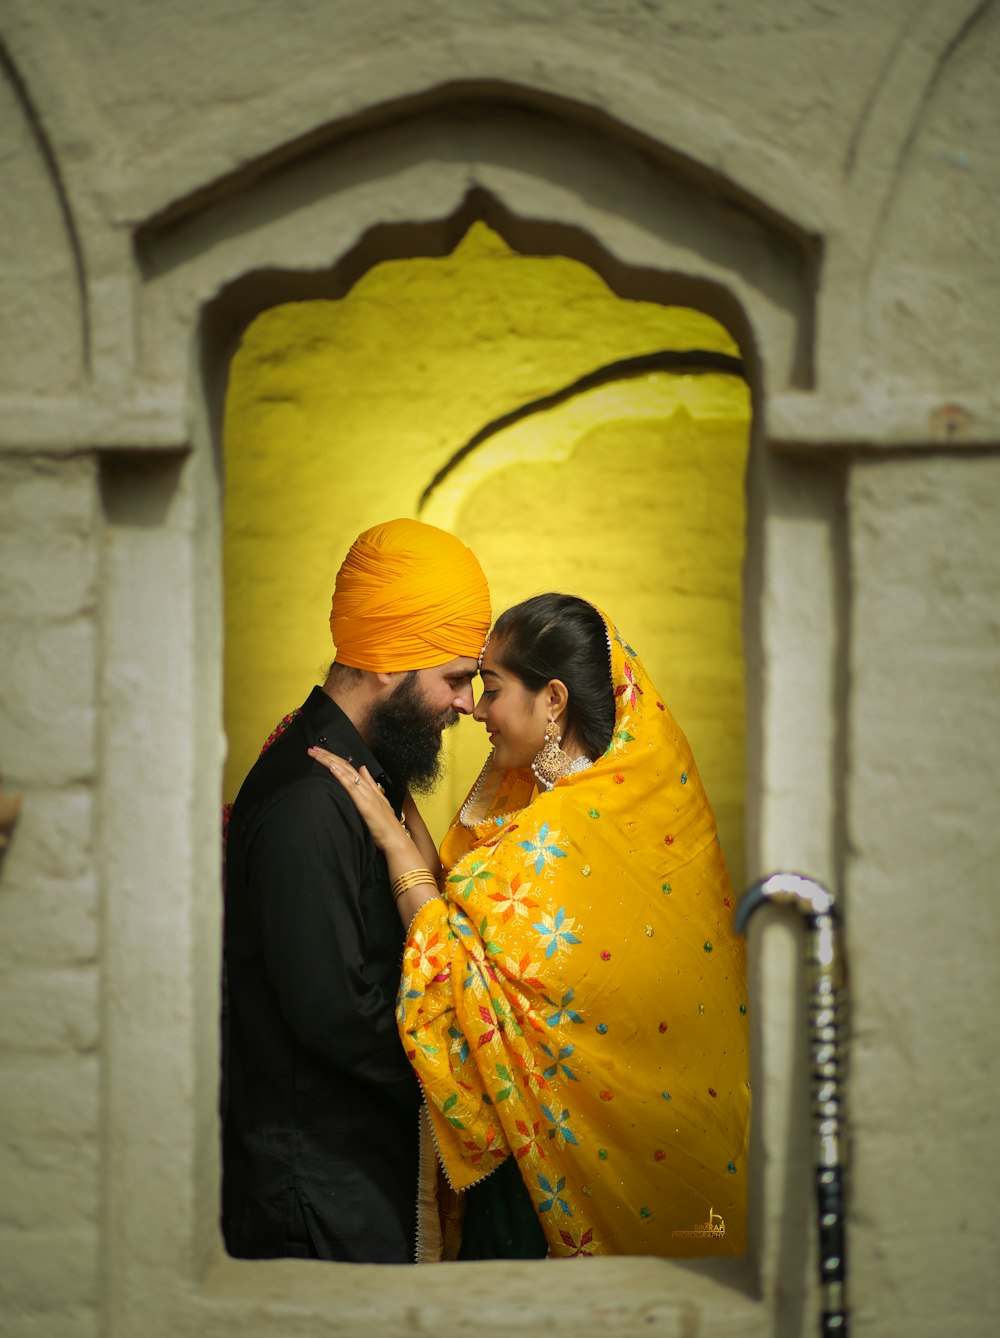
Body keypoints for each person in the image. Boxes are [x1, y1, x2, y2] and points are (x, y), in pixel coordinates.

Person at [310, 592, 750, 1259]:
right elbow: (467, 909)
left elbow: (461, 961)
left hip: (550, 1170)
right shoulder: (605, 806)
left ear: (553, 700)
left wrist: (397, 850)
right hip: (600, 1141)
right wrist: (390, 788)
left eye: (492, 689)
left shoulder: (562, 833)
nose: (479, 711)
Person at [222, 518, 491, 1262]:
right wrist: (478, 1065)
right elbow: (336, 1013)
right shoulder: (311, 798)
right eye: (453, 677)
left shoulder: (362, 775)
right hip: (311, 1194)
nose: (467, 703)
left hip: (348, 1175)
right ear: (384, 665)